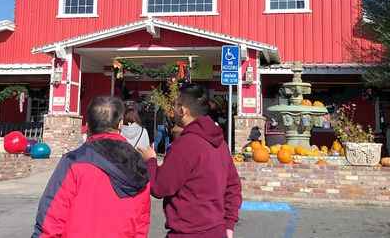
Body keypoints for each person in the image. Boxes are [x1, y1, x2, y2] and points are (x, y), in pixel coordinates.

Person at [33, 96, 150, 238]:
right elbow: (141, 222)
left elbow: (51, 216)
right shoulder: (138, 164)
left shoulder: (74, 161)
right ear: (120, 124)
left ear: (87, 125)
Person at [139, 84, 242, 238]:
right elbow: (233, 186)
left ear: (183, 110)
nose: (173, 111)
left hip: (188, 232)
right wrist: (229, 225)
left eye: (175, 105)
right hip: (218, 230)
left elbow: (160, 187)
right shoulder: (220, 143)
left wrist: (151, 161)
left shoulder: (186, 144)